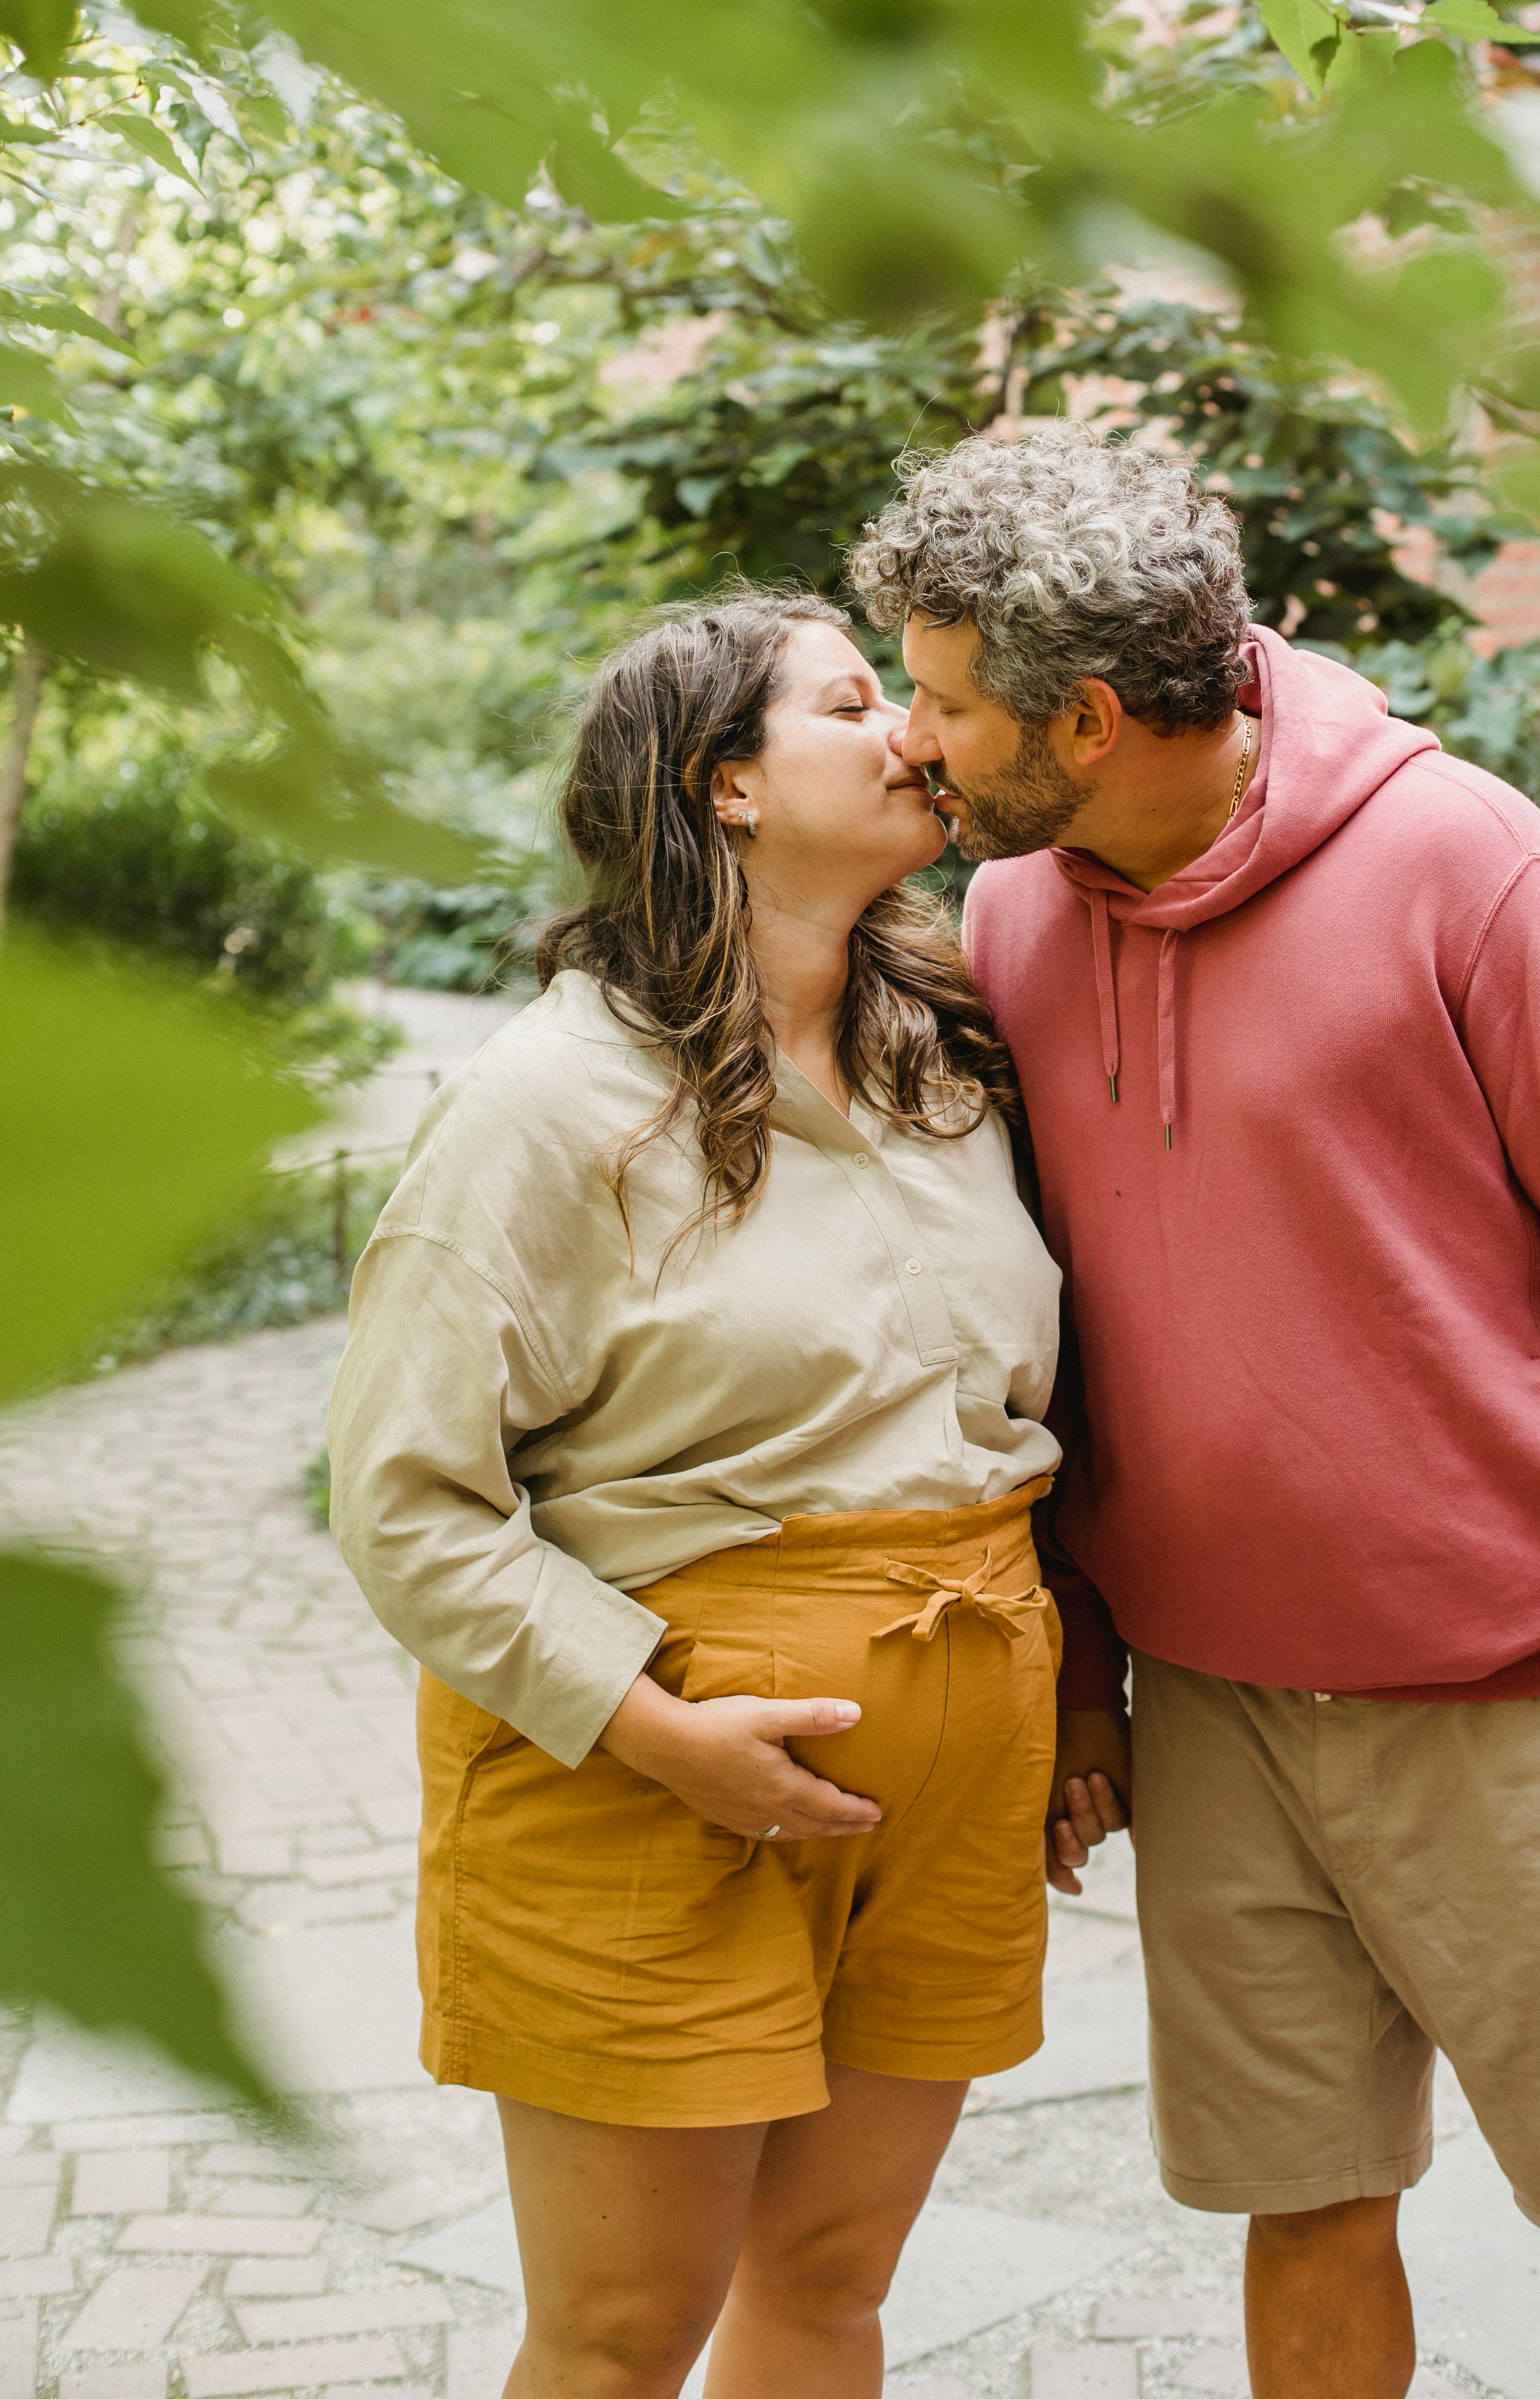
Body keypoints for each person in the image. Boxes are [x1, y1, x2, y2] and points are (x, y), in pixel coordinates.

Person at [850, 427, 1540, 2399]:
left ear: (1100, 717)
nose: (914, 737)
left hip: (1518, 1703)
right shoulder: (1025, 920)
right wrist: (1083, 1678)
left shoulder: (1476, 877)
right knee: (1298, 2200)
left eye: (949, 699)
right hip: (1213, 1711)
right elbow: (1062, 1330)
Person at [325, 591, 1065, 2399]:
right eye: (850, 699)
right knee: (620, 2335)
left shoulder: (948, 1056)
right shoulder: (546, 1108)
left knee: (825, 2286)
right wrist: (657, 1729)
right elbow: (405, 1498)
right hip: (647, 1794)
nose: (911, 729)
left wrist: (1084, 1685)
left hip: (953, 1787)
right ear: (727, 784)